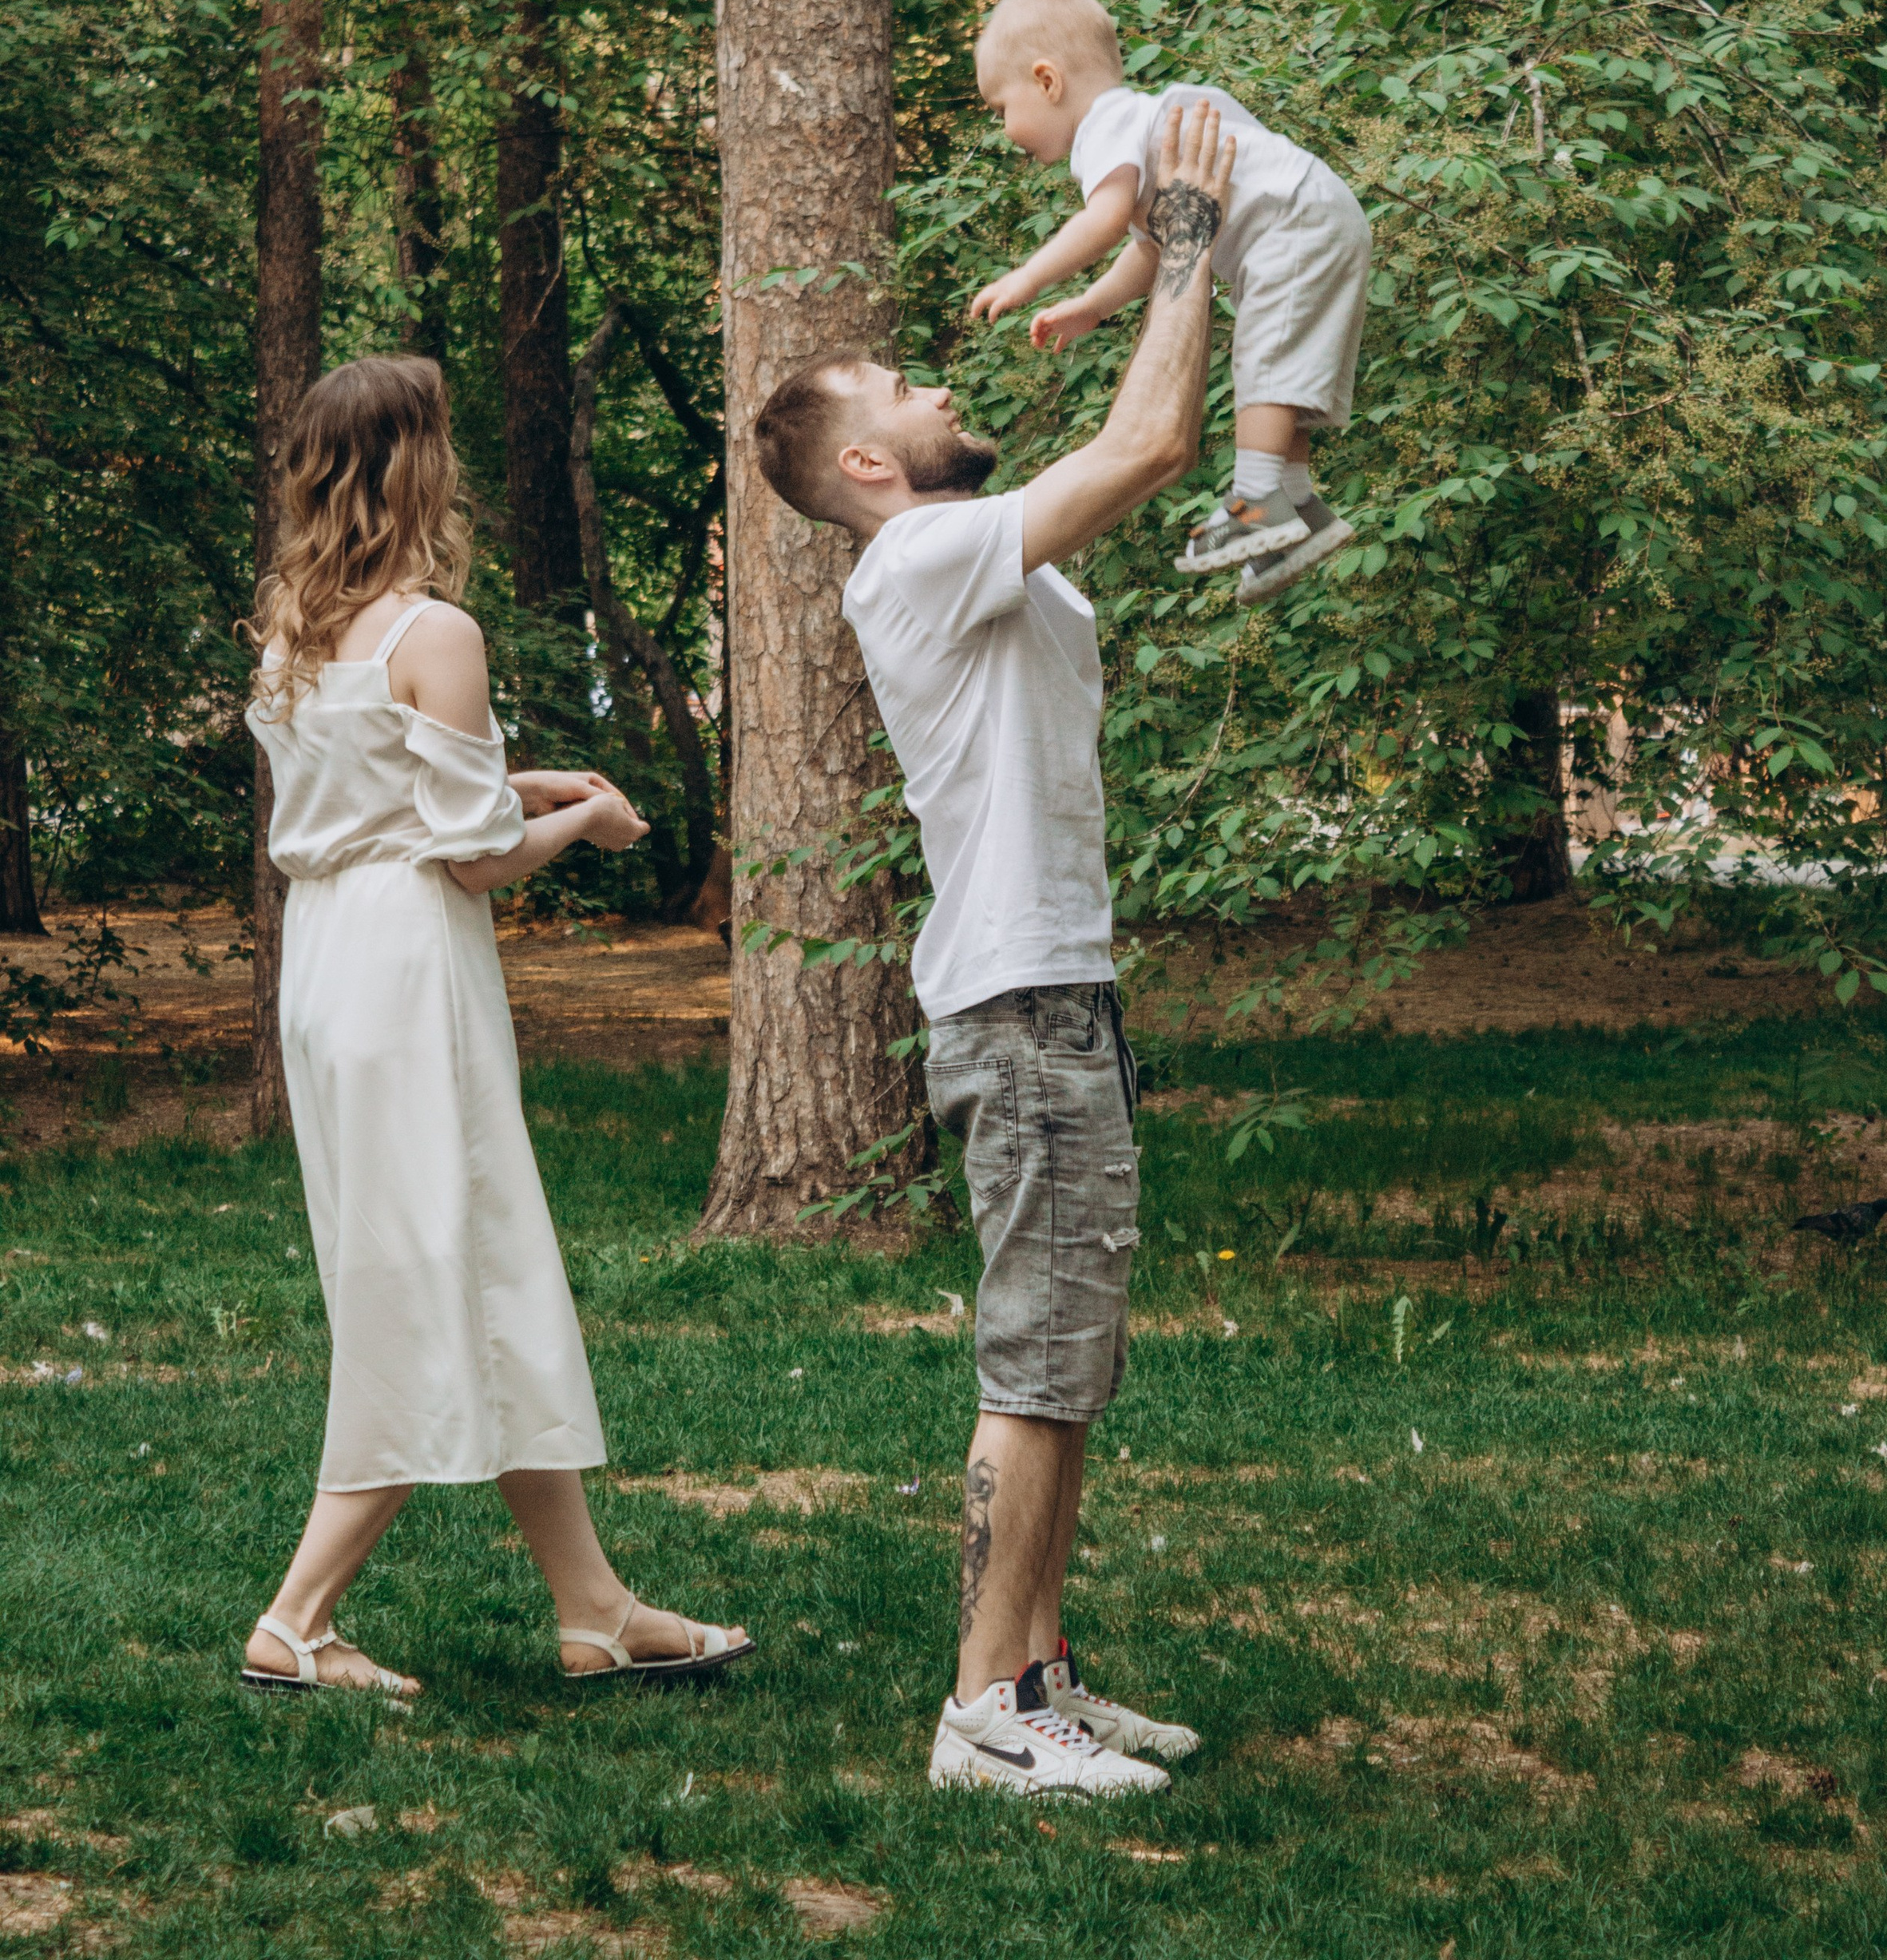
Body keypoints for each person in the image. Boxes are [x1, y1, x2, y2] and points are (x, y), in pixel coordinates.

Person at [751, 101, 1234, 1800]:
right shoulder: (920, 553)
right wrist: (1181, 245)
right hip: (1019, 1001)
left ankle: (1038, 1670)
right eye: (903, 388)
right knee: (1034, 1354)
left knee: (1070, 1347)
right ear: (867, 464)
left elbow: (1120, 452)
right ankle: (982, 1714)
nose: (935, 386)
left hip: (1054, 989)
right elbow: (1149, 447)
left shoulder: (954, 550)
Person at [240, 355, 752, 1700]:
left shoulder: (295, 617)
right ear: (417, 466)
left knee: (479, 1267)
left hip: (329, 963)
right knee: (434, 1277)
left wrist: (514, 776)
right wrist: (587, 819)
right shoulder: (435, 631)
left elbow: (376, 787)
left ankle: (596, 1608)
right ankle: (299, 1616)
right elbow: (470, 856)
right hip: (412, 967)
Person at [967, 0, 1371, 601]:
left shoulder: (1106, 126)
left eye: (1001, 109)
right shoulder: (1140, 128)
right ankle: (1295, 509)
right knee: (1276, 372)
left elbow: (1105, 222)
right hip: (1312, 215)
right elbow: (1153, 248)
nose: (1005, 130)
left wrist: (1028, 277)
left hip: (1293, 222)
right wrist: (1095, 305)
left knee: (1263, 360)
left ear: (1048, 81)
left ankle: (1259, 497)